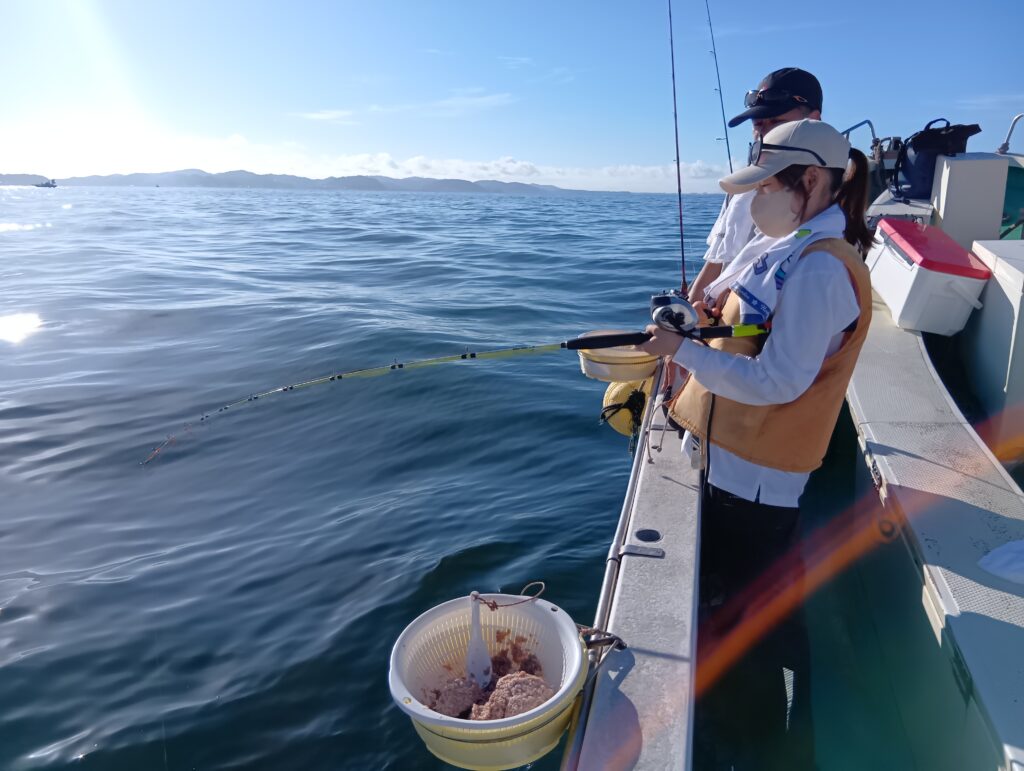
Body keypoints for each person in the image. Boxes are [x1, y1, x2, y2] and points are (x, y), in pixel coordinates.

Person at [641, 119, 875, 769]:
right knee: (734, 614)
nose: (755, 198)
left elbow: (779, 381)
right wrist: (694, 322)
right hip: (729, 463)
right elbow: (737, 317)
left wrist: (684, 351)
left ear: (812, 180)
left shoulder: (823, 269)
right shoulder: (783, 247)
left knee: (752, 635)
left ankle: (762, 745)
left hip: (758, 485)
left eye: (767, 185)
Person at [687, 68, 824, 303]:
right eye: (759, 124)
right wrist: (691, 310)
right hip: (719, 316)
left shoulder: (823, 193)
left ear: (813, 120)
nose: (764, 133)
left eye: (777, 122)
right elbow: (717, 260)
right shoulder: (741, 186)